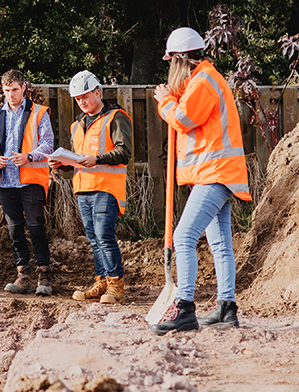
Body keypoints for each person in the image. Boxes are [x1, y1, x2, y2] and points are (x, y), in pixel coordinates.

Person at [149, 27, 252, 335]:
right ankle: (226, 307)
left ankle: (184, 308)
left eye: (171, 62)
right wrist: (173, 97)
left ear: (180, 60)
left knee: (183, 238)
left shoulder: (205, 81)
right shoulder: (202, 80)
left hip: (215, 174)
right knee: (220, 243)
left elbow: (182, 119)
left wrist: (165, 101)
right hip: (215, 174)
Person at [49, 70, 133, 304]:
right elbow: (80, 159)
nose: (82, 102)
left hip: (107, 187)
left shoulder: (116, 116)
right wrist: (63, 164)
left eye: (85, 96)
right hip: (83, 188)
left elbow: (124, 152)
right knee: (94, 239)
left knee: (104, 236)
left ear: (98, 92)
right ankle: (102, 282)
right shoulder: (77, 125)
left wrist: (96, 159)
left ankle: (116, 286)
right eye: (77, 99)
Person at [0, 70, 55, 296]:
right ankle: (23, 276)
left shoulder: (38, 113)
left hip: (31, 180)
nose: (10, 94)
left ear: (23, 88)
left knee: (36, 228)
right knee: (14, 231)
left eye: (14, 89)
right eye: (6, 91)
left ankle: (45, 276)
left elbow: (48, 144)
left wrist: (29, 156)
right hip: (5, 182)